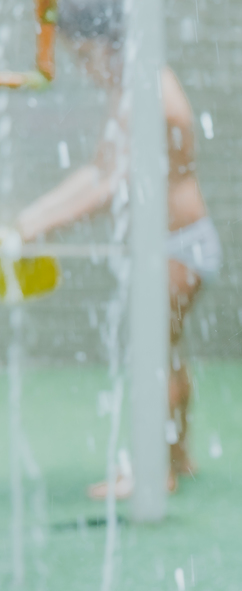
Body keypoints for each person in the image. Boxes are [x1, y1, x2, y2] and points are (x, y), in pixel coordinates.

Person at [0, 0, 221, 497]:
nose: (82, 69)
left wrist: (31, 231)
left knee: (154, 355)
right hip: (181, 241)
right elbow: (99, 168)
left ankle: (154, 473)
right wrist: (26, 223)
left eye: (83, 56)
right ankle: (177, 456)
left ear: (108, 45)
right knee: (166, 349)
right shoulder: (132, 84)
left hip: (176, 246)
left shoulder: (149, 94)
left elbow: (112, 187)